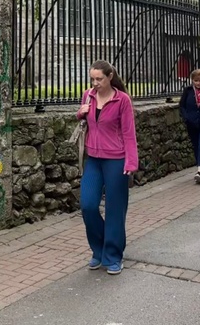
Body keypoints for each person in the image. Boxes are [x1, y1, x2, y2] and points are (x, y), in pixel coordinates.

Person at [75, 60, 138, 276]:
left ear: (110, 77)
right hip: (93, 158)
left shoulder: (122, 100)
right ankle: (99, 249)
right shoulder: (88, 95)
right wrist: (80, 112)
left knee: (114, 209)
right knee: (88, 205)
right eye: (92, 78)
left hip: (116, 160)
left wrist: (131, 162)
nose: (95, 83)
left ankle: (112, 255)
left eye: (99, 79)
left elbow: (129, 133)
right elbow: (84, 122)